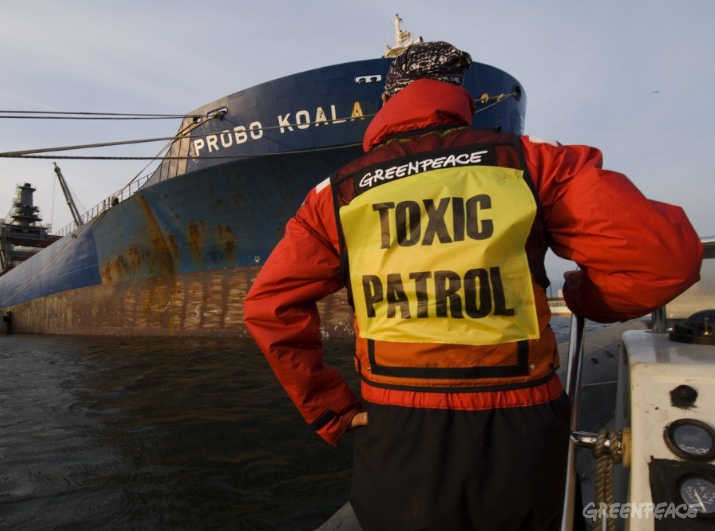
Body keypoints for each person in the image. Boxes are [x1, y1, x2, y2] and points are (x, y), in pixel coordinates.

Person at [243, 41, 703, 530]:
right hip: (523, 423)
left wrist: (332, 411)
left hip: (397, 429)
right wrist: (580, 298)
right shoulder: (531, 161)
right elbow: (662, 258)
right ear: (459, 96)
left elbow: (269, 306)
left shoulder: (334, 193)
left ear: (388, 100)